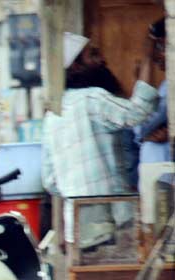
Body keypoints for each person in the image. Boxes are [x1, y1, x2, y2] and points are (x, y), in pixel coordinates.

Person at [41, 31, 158, 248]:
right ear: (76, 66)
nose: (101, 60)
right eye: (92, 55)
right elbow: (138, 111)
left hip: (76, 226)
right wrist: (148, 57)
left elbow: (50, 181)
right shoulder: (92, 98)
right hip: (109, 217)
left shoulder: (52, 116)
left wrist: (76, 189)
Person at [135, 18, 170, 168]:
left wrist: (146, 60)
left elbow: (140, 125)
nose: (156, 55)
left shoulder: (170, 87)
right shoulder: (166, 85)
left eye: (160, 46)